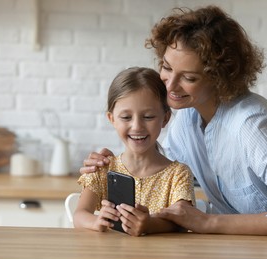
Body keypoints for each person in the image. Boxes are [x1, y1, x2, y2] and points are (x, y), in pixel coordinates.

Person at [80, 6, 267, 236]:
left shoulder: (251, 126)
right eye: (166, 67)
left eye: (189, 78)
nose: (170, 86)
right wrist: (114, 162)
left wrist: (208, 222)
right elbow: (159, 167)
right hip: (243, 241)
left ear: (220, 77)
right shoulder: (186, 114)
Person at [74, 67, 195, 236]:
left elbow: (182, 222)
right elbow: (79, 215)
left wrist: (150, 225)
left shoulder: (178, 174)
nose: (137, 126)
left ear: (165, 118)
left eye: (148, 117)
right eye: (126, 117)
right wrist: (97, 221)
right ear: (112, 119)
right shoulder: (103, 168)